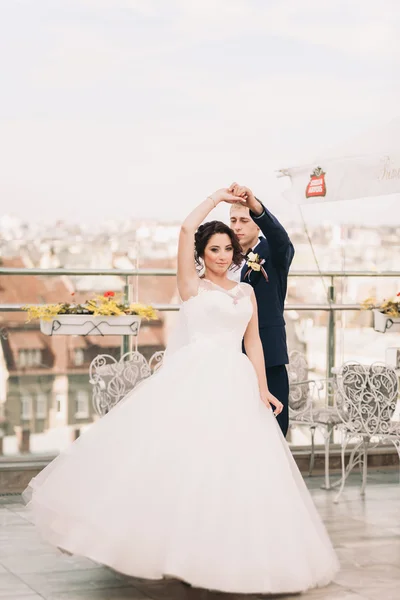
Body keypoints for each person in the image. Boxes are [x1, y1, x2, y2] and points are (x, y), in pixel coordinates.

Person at [23, 188, 339, 595]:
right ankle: (177, 550)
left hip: (238, 380)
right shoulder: (191, 286)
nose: (223, 255)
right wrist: (215, 197)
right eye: (214, 249)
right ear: (202, 253)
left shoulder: (245, 291)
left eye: (228, 248)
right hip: (195, 377)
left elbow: (255, 342)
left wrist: (263, 388)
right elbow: (188, 226)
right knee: (187, 463)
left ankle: (231, 553)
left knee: (238, 469)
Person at [228, 182, 294, 437]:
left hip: (268, 352)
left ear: (257, 223)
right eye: (233, 220)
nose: (237, 226)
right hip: (232, 355)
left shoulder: (274, 252)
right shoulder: (223, 256)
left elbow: (281, 239)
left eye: (244, 220)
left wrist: (254, 205)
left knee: (274, 429)